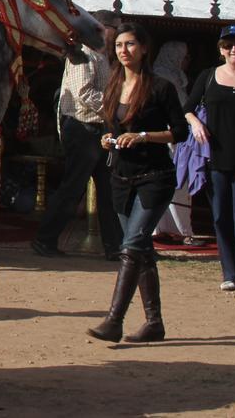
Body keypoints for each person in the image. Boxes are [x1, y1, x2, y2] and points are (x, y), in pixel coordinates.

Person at [88, 23, 187, 344]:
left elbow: (180, 132)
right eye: (118, 45)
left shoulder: (161, 87)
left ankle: (114, 321)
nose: (123, 51)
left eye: (130, 44)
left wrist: (144, 136)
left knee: (131, 246)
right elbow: (113, 128)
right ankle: (154, 323)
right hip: (120, 177)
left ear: (144, 48)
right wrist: (109, 139)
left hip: (154, 177)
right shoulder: (113, 86)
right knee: (141, 250)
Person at [32, 10, 124, 259]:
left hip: (97, 128)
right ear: (104, 28)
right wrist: (117, 110)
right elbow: (84, 92)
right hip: (83, 127)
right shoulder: (83, 53)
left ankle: (115, 246)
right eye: (117, 28)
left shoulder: (102, 56)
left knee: (107, 189)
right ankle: (45, 239)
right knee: (73, 187)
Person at [184, 25, 235, 291]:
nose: (233, 49)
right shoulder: (209, 76)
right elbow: (187, 108)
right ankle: (229, 273)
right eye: (227, 45)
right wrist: (195, 123)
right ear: (221, 49)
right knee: (221, 216)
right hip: (215, 159)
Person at [152, 40, 197, 245]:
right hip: (165, 137)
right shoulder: (164, 77)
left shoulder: (175, 77)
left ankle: (173, 229)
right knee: (173, 182)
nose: (187, 61)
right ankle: (174, 230)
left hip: (175, 138)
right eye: (185, 57)